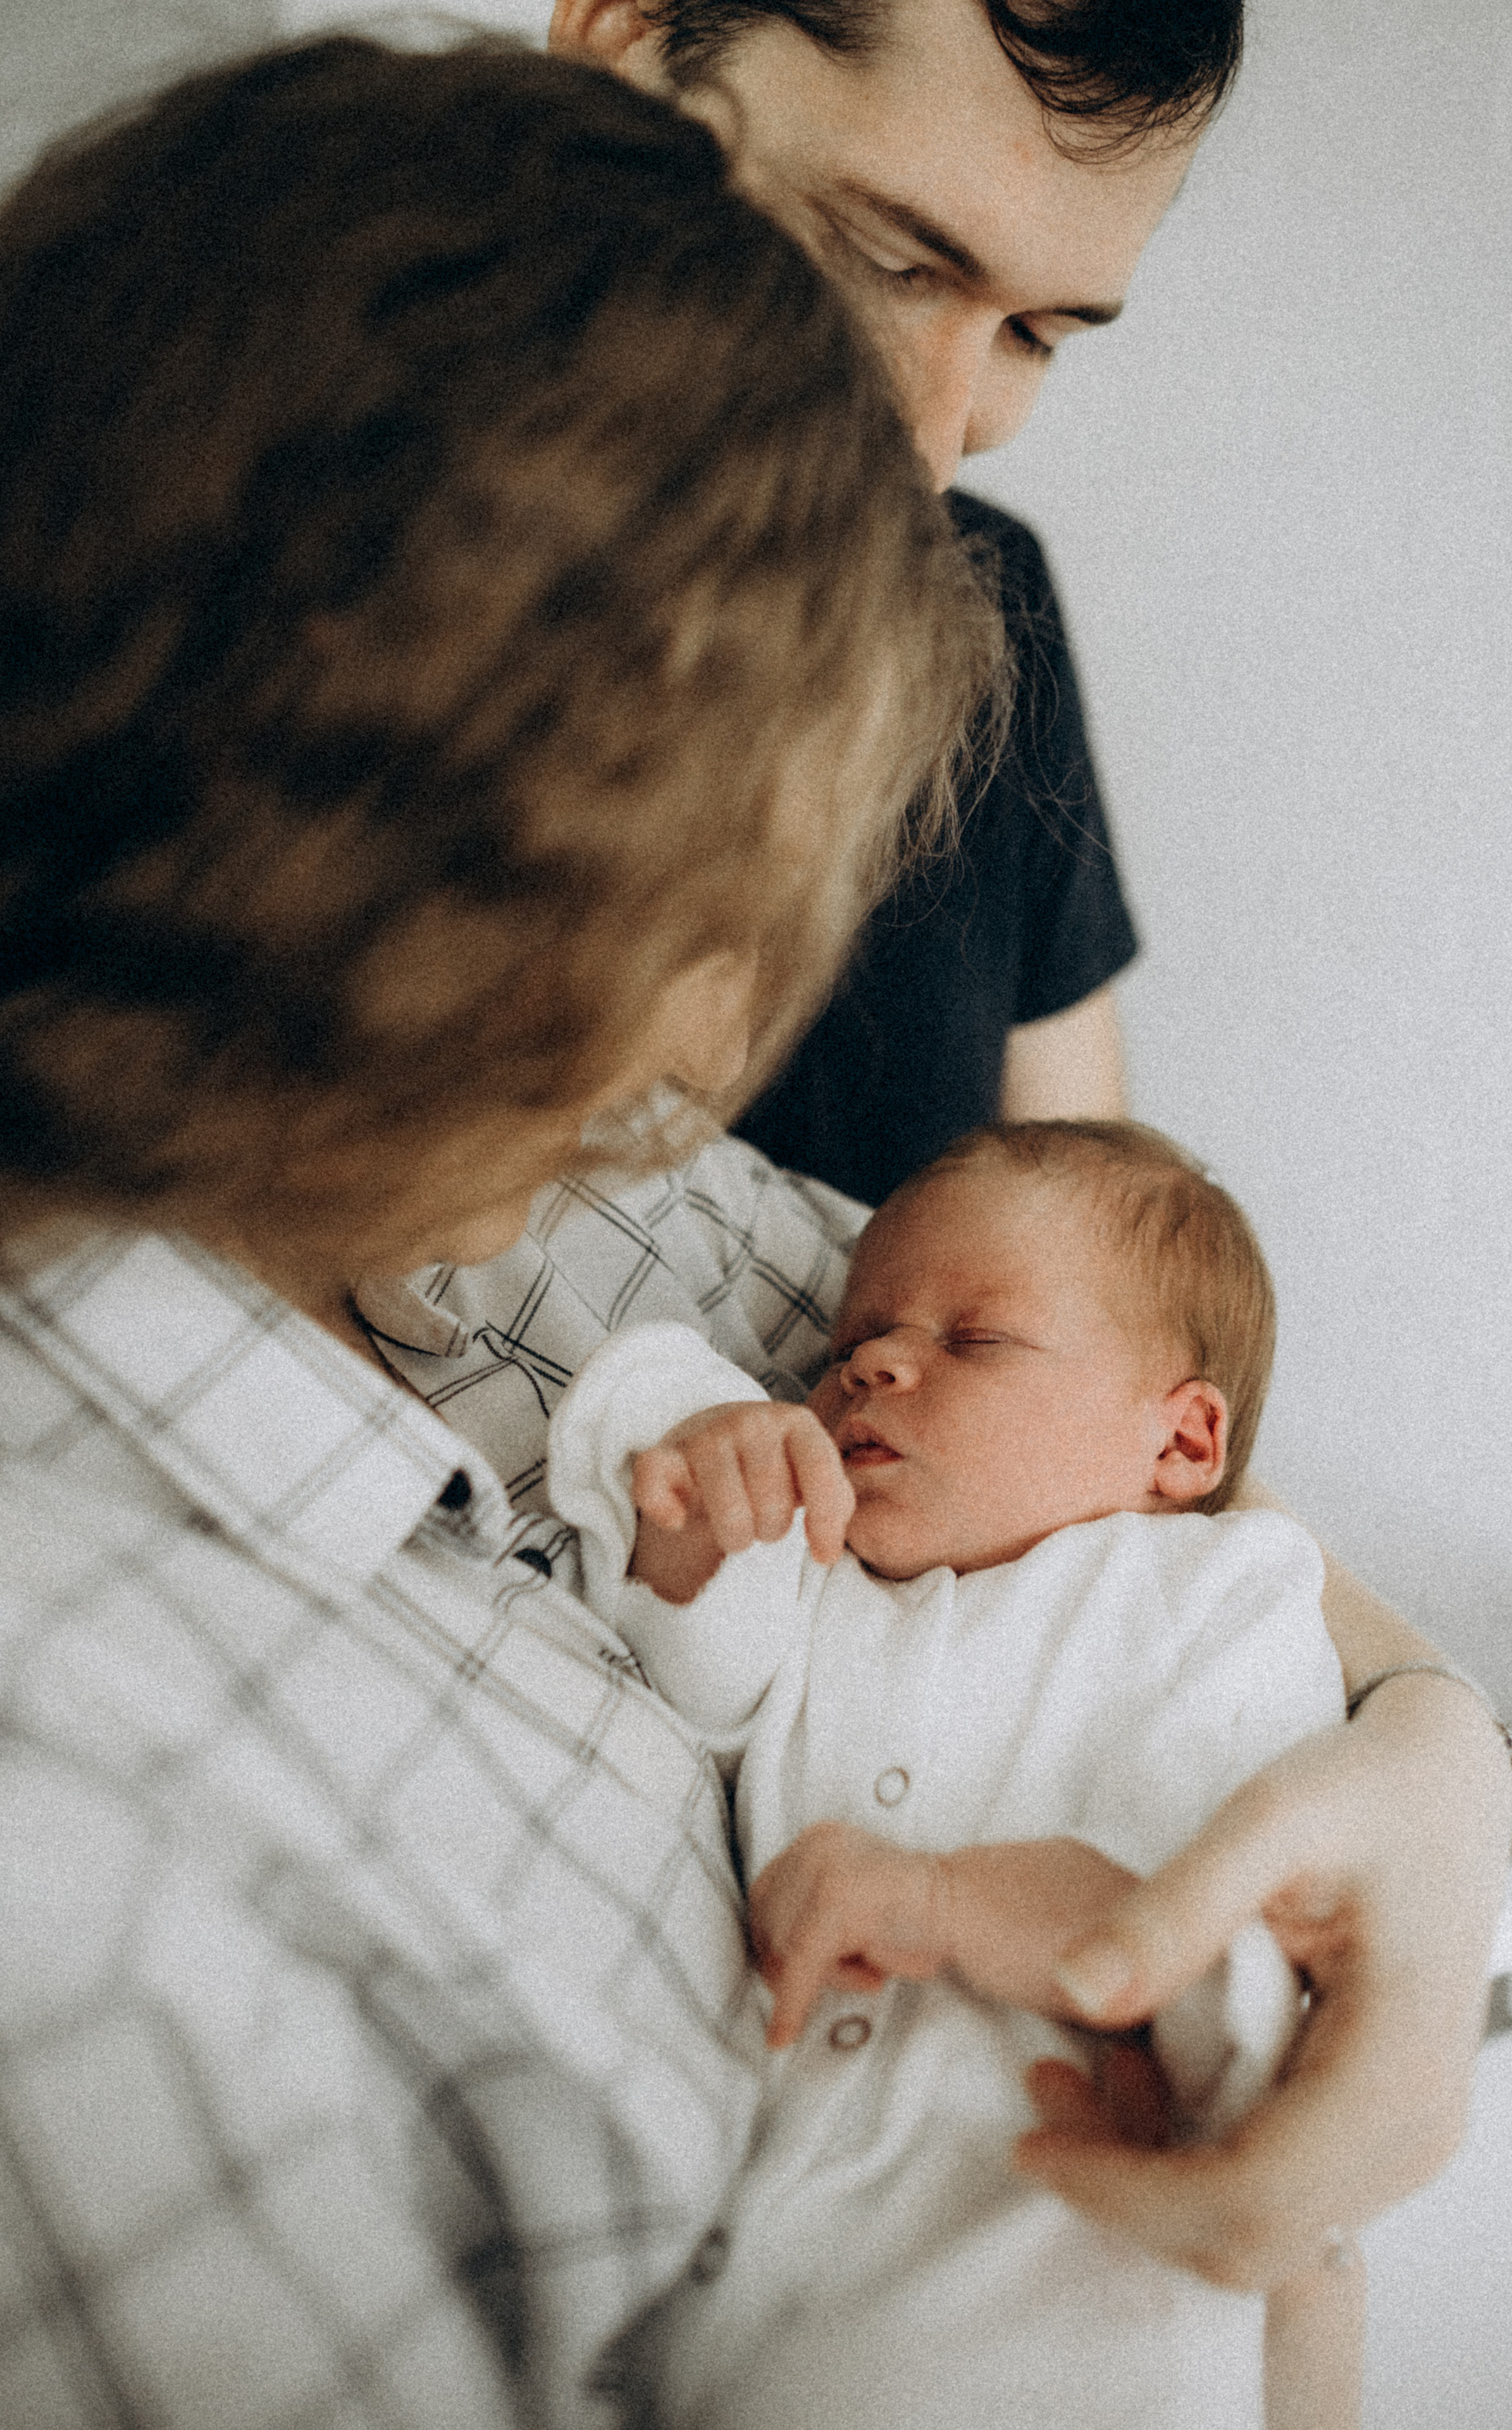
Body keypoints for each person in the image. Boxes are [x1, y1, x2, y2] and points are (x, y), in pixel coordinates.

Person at [0, 34, 1003, 2427]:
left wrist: (1419, 1769)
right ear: (491, 910)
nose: (733, 1028)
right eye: (733, 906)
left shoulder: (533, 1203)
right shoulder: (102, 1936)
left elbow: (1132, 1393)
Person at [540, 0, 1512, 2314]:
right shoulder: (202, 624)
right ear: (621, 42)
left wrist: (1437, 1748)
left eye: (1049, 332)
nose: (942, 424)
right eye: (890, 255)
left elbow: (1120, 1339)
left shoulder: (986, 626)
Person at [540, 1118, 1356, 2429]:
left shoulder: (1209, 1600)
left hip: (1065, 2284)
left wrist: (938, 1904)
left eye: (969, 1341)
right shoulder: (829, 1574)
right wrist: (706, 1476)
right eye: (846, 1345)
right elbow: (694, 1664)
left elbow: (1217, 1937)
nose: (870, 1365)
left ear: (1182, 1447)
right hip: (766, 2294)